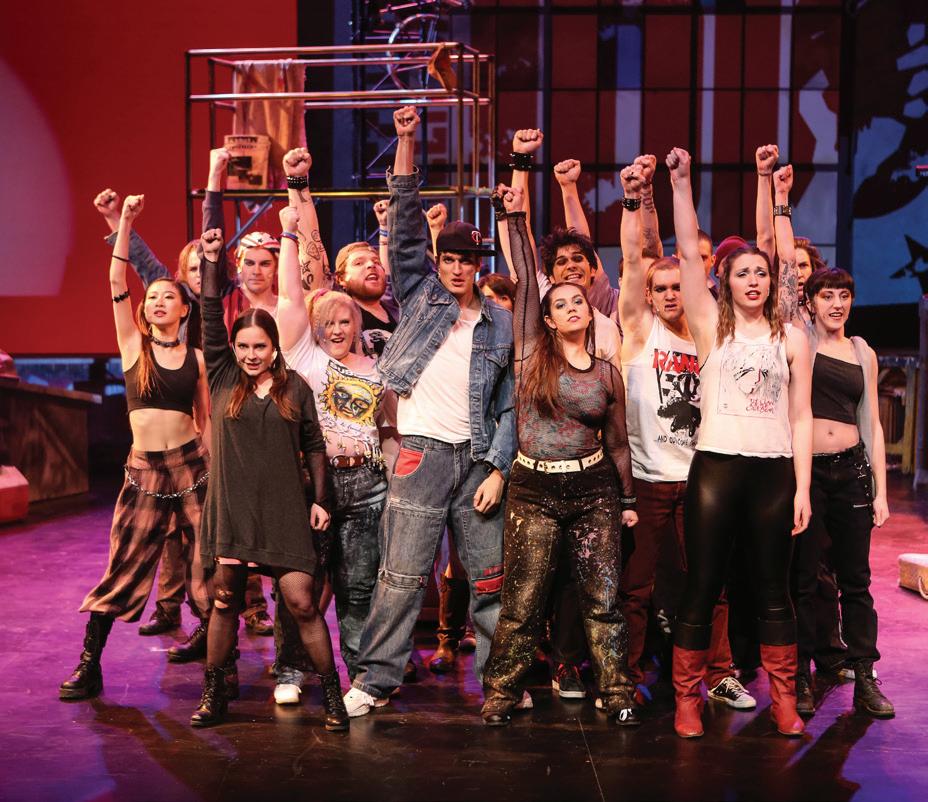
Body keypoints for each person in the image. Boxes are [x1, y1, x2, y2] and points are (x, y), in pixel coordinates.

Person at [343, 106, 516, 717]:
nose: (459, 268)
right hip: (421, 454)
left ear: (479, 265)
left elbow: (509, 404)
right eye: (451, 259)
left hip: (476, 460)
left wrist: (498, 468)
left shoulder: (500, 323)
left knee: (490, 581)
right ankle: (375, 680)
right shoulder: (421, 296)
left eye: (469, 260)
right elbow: (406, 226)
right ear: (439, 262)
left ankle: (500, 683)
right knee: (401, 575)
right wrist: (407, 140)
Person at [481, 184, 639, 727]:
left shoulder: (607, 373)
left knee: (602, 599)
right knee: (523, 600)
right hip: (535, 489)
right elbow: (527, 277)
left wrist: (628, 501)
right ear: (547, 319)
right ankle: (502, 692)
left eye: (578, 301)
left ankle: (617, 691)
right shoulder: (530, 354)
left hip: (594, 490)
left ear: (590, 311)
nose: (571, 307)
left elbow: (618, 443)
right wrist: (514, 215)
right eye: (560, 304)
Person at [668, 147, 812, 738]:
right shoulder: (710, 326)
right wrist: (680, 183)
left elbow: (801, 415)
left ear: (772, 281)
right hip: (717, 470)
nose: (753, 280)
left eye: (761, 272)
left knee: (775, 590)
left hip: (773, 473)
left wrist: (803, 488)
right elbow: (685, 250)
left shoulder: (792, 337)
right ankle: (687, 700)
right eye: (742, 272)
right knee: (703, 585)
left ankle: (784, 700)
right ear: (724, 281)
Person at [189, 226, 348, 731]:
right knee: (224, 601)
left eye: (259, 346)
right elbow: (209, 312)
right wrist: (211, 261)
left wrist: (320, 500)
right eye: (243, 346)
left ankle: (333, 696)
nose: (250, 354)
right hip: (233, 507)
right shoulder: (223, 376)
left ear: (274, 347)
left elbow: (314, 446)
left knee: (302, 602)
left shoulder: (294, 387)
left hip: (283, 509)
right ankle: (214, 693)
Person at [60, 194, 212, 701]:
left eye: (168, 296)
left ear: (185, 308)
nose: (158, 302)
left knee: (207, 568)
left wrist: (213, 471)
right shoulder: (133, 346)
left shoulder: (196, 358)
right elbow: (115, 279)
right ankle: (89, 665)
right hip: (145, 472)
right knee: (122, 568)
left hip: (192, 468)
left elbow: (206, 421)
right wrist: (122, 222)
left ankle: (220, 667)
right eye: (152, 298)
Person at [616, 162, 756, 712]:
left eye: (678, 286)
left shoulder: (709, 331)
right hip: (649, 481)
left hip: (701, 478)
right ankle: (626, 676)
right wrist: (633, 200)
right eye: (662, 288)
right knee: (637, 587)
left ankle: (718, 674)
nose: (671, 294)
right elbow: (633, 259)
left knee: (709, 581)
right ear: (649, 296)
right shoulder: (638, 330)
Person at [773, 165, 894, 719]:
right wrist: (781, 198)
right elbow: (785, 267)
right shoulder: (799, 337)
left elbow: (872, 425)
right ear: (813, 301)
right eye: (828, 295)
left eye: (844, 295)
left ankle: (864, 674)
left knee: (856, 582)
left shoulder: (861, 351)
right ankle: (799, 675)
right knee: (803, 580)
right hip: (808, 474)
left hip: (851, 472)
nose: (837, 303)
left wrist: (882, 492)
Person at [275, 203, 389, 695]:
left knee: (357, 589)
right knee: (301, 586)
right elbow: (290, 297)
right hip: (314, 485)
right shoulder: (305, 357)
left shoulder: (376, 368)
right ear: (315, 327)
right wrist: (289, 234)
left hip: (368, 486)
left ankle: (360, 678)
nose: (338, 329)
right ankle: (290, 672)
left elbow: (388, 429)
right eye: (329, 322)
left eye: (346, 321)